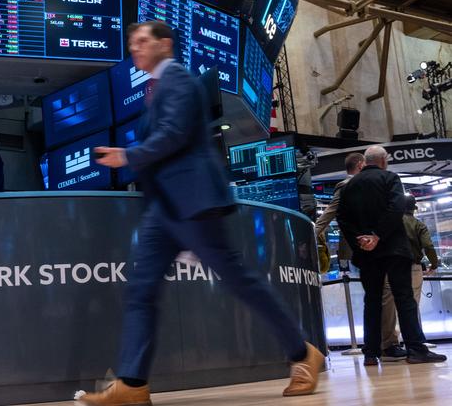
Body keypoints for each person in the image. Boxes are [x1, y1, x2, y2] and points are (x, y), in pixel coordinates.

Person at [79, 21, 324, 406]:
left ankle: (302, 353)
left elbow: (174, 134)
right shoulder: (157, 88)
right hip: (166, 208)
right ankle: (132, 384)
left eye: (142, 42)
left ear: (165, 44)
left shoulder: (177, 79)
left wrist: (128, 156)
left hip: (193, 202)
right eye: (132, 44)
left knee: (240, 282)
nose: (135, 50)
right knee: (141, 290)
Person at [336, 145, 446, 365]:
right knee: (404, 298)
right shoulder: (390, 178)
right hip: (394, 249)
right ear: (384, 161)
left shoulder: (349, 186)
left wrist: (362, 239)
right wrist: (377, 235)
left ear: (365, 162)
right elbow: (396, 209)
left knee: (372, 300)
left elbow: (342, 218)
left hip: (366, 253)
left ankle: (370, 353)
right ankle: (415, 349)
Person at [380, 194, 439, 358]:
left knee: (388, 308)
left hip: (388, 267)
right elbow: (428, 245)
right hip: (411, 268)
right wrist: (434, 264)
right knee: (410, 307)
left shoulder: (389, 223)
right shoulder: (417, 224)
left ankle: (388, 346)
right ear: (414, 208)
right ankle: (414, 345)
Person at [314, 152, 365, 273]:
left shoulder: (368, 183)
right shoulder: (345, 186)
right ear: (360, 165)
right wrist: (307, 237)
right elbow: (328, 214)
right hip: (357, 247)